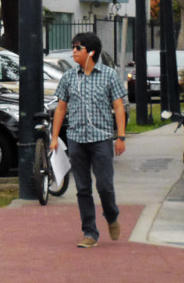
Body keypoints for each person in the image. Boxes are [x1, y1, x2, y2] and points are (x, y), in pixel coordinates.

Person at [49, 32, 127, 248]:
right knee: (83, 188)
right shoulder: (69, 77)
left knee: (104, 186)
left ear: (91, 52)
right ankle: (90, 232)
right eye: (73, 47)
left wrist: (120, 136)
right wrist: (55, 138)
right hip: (76, 140)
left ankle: (111, 217)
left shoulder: (109, 76)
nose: (73, 51)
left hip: (101, 139)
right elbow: (61, 107)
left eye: (78, 47)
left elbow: (118, 106)